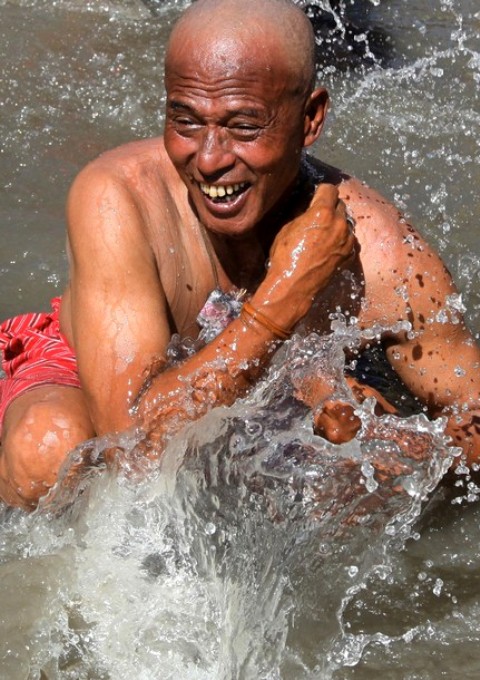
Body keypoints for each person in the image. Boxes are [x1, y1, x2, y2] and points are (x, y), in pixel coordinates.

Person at [0, 0, 479, 510]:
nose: (208, 160)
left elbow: (470, 414)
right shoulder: (118, 197)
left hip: (264, 403)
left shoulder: (380, 249)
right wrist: (284, 297)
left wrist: (401, 450)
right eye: (185, 121)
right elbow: (134, 457)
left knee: (349, 493)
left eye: (244, 128)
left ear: (310, 119)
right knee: (48, 448)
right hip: (98, 381)